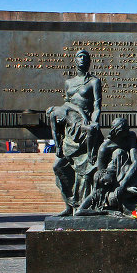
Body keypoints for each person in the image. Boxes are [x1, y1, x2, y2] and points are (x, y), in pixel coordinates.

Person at [47, 50, 103, 216]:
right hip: (70, 129)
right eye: (79, 56)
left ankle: (82, 207)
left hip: (85, 128)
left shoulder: (94, 82)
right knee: (58, 166)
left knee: (86, 173)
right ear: (75, 60)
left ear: (89, 61)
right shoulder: (69, 82)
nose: (82, 59)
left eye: (85, 57)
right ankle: (68, 205)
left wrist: (94, 121)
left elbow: (97, 106)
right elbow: (67, 103)